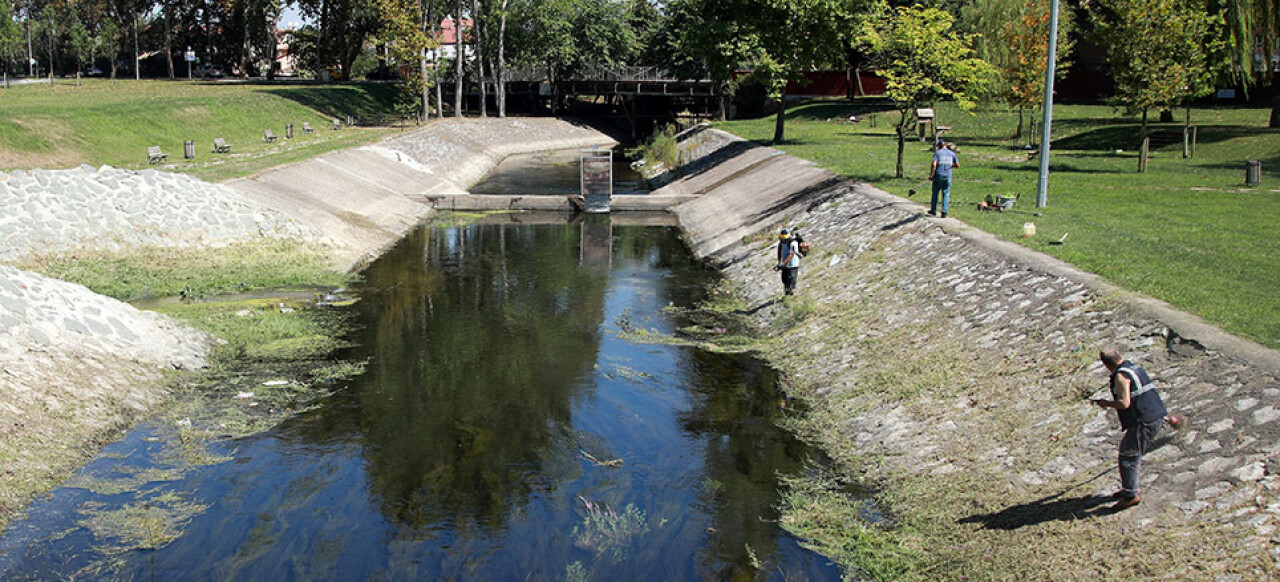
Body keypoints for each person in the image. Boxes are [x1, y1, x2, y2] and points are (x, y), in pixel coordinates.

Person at [1092, 348, 1169, 510]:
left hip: (1144, 421)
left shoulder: (1120, 376)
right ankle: (1129, 487)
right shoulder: (1135, 368)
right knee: (1129, 453)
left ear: (1106, 365)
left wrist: (1105, 403)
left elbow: (1124, 403)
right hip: (1154, 414)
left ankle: (1130, 495)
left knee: (1129, 456)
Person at [928, 140, 959, 218]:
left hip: (938, 175)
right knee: (946, 193)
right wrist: (951, 166)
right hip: (947, 176)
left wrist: (931, 175)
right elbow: (958, 165)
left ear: (939, 146)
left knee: (935, 193)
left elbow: (934, 165)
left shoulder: (937, 153)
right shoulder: (952, 154)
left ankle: (933, 210)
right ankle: (944, 212)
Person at [774, 228, 801, 296]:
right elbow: (779, 249)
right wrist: (779, 261)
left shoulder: (793, 243)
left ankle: (792, 294)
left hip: (793, 265)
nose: (783, 240)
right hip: (785, 265)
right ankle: (786, 293)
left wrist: (782, 264)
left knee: (791, 279)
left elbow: (791, 255)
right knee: (784, 279)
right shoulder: (782, 242)